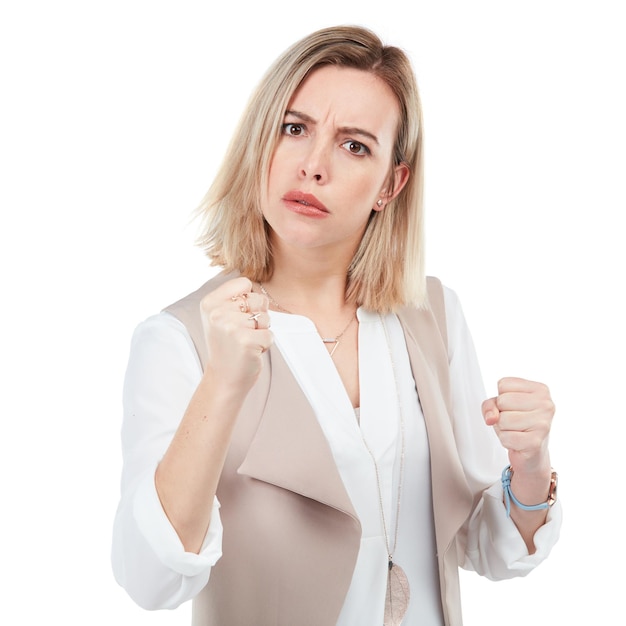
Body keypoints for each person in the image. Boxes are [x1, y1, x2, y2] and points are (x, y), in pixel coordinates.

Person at [112, 25, 561, 626]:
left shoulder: (434, 317)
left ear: (390, 185)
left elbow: (482, 544)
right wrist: (221, 385)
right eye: (294, 129)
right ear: (259, 145)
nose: (314, 166)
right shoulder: (180, 339)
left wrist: (531, 468)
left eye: (354, 146)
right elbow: (150, 577)